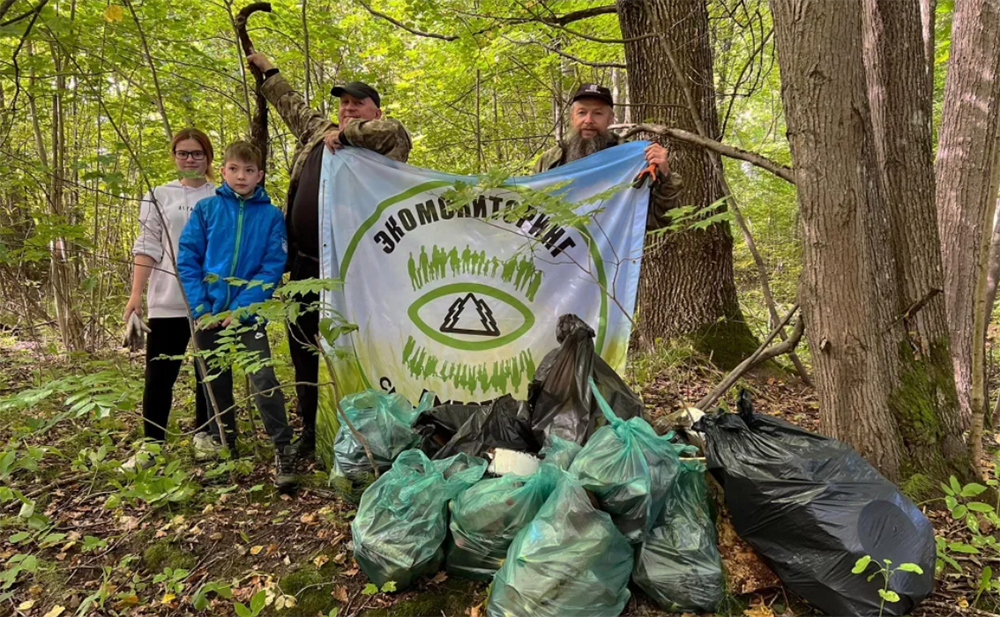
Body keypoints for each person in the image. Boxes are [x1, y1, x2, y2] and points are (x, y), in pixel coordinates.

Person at [246, 51, 412, 460]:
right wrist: (269, 70)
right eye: (343, 103)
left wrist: (351, 135)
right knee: (303, 347)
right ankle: (309, 428)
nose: (348, 108)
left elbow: (397, 134)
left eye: (358, 102)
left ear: (375, 109)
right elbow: (291, 104)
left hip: (356, 270)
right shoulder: (319, 132)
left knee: (356, 349)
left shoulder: (381, 142)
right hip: (305, 265)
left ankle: (366, 433)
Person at [176, 141, 296, 491]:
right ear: (223, 171)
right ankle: (224, 447)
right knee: (215, 381)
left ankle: (282, 447)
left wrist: (242, 309)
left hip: (247, 315)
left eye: (249, 171)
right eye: (234, 169)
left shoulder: (272, 216)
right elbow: (188, 259)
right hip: (208, 315)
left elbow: (273, 266)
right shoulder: (207, 210)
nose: (241, 177)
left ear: (260, 175)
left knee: (263, 378)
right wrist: (202, 309)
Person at [123, 128, 218, 471]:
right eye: (183, 153)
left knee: (207, 372)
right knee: (159, 373)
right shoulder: (157, 195)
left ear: (208, 157)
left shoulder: (221, 196)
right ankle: (152, 444)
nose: (190, 159)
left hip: (210, 300)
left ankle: (206, 435)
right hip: (167, 297)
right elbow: (147, 245)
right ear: (174, 156)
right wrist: (136, 295)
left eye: (197, 153)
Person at [536, 83, 683, 230]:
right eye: (582, 112)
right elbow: (533, 219)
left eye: (598, 113)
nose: (588, 120)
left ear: (611, 118)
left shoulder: (632, 160)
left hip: (612, 250)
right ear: (572, 117)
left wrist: (664, 176)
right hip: (561, 250)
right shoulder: (550, 161)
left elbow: (662, 220)